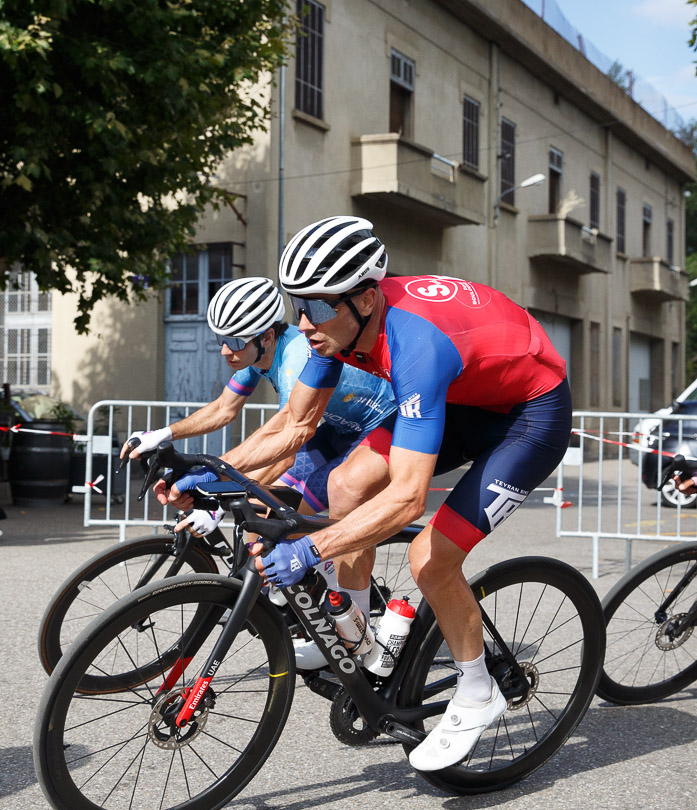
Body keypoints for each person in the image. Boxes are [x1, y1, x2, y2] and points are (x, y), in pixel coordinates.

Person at [212, 216, 572, 772]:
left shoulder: (414, 342)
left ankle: (477, 690)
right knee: (344, 483)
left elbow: (407, 498)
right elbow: (294, 427)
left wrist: (313, 549)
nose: (304, 322)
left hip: (530, 415)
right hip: (467, 399)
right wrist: (209, 471)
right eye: (296, 306)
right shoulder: (337, 327)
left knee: (429, 557)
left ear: (365, 298)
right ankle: (359, 637)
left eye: (317, 306)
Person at [121, 274, 398, 668]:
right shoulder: (255, 357)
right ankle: (300, 592)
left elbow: (286, 445)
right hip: (336, 429)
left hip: (376, 426)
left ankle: (348, 634)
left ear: (266, 336)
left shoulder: (296, 361)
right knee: (261, 509)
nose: (225, 350)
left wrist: (215, 497)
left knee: (342, 503)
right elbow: (222, 409)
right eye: (222, 339)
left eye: (235, 342)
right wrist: (163, 433)